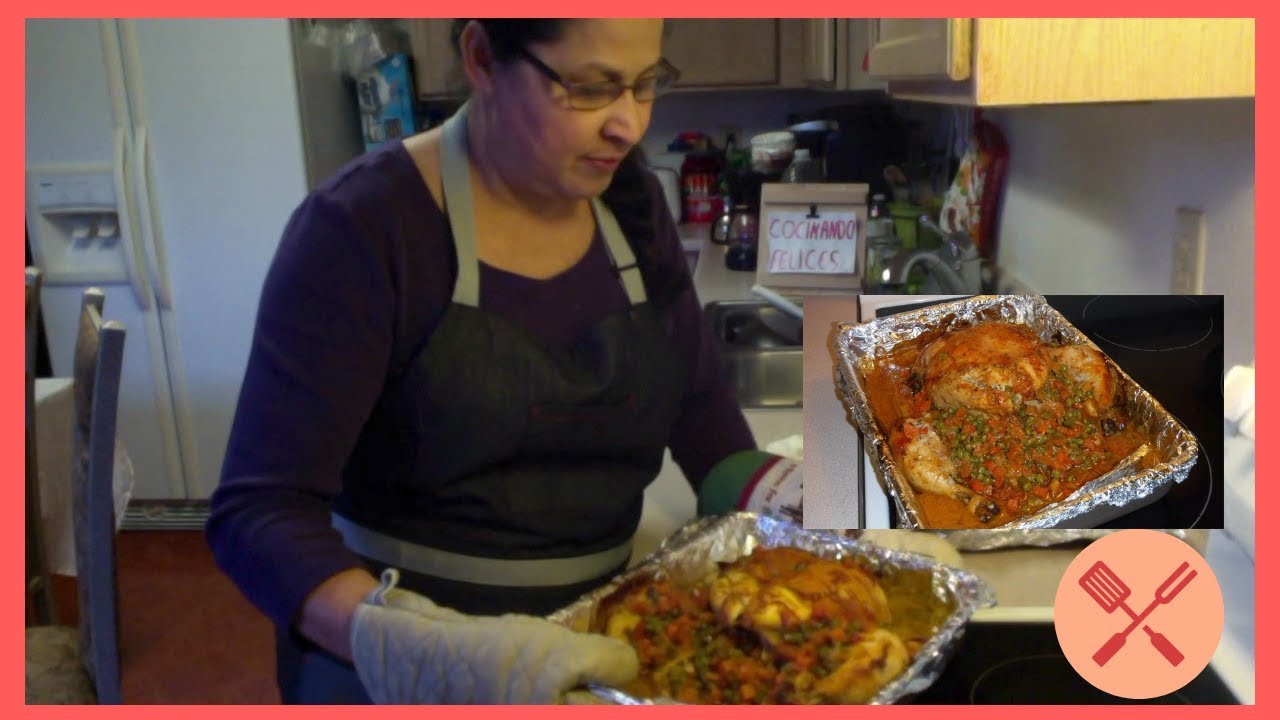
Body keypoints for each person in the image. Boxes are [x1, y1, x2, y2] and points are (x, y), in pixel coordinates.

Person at [206, 18, 800, 705]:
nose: (629, 125)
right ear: (483, 57)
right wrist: (419, 648)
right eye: (590, 87)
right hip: (399, 673)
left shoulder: (629, 202)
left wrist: (805, 503)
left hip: (601, 657)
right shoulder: (365, 225)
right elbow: (259, 512)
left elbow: (701, 416)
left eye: (645, 84)